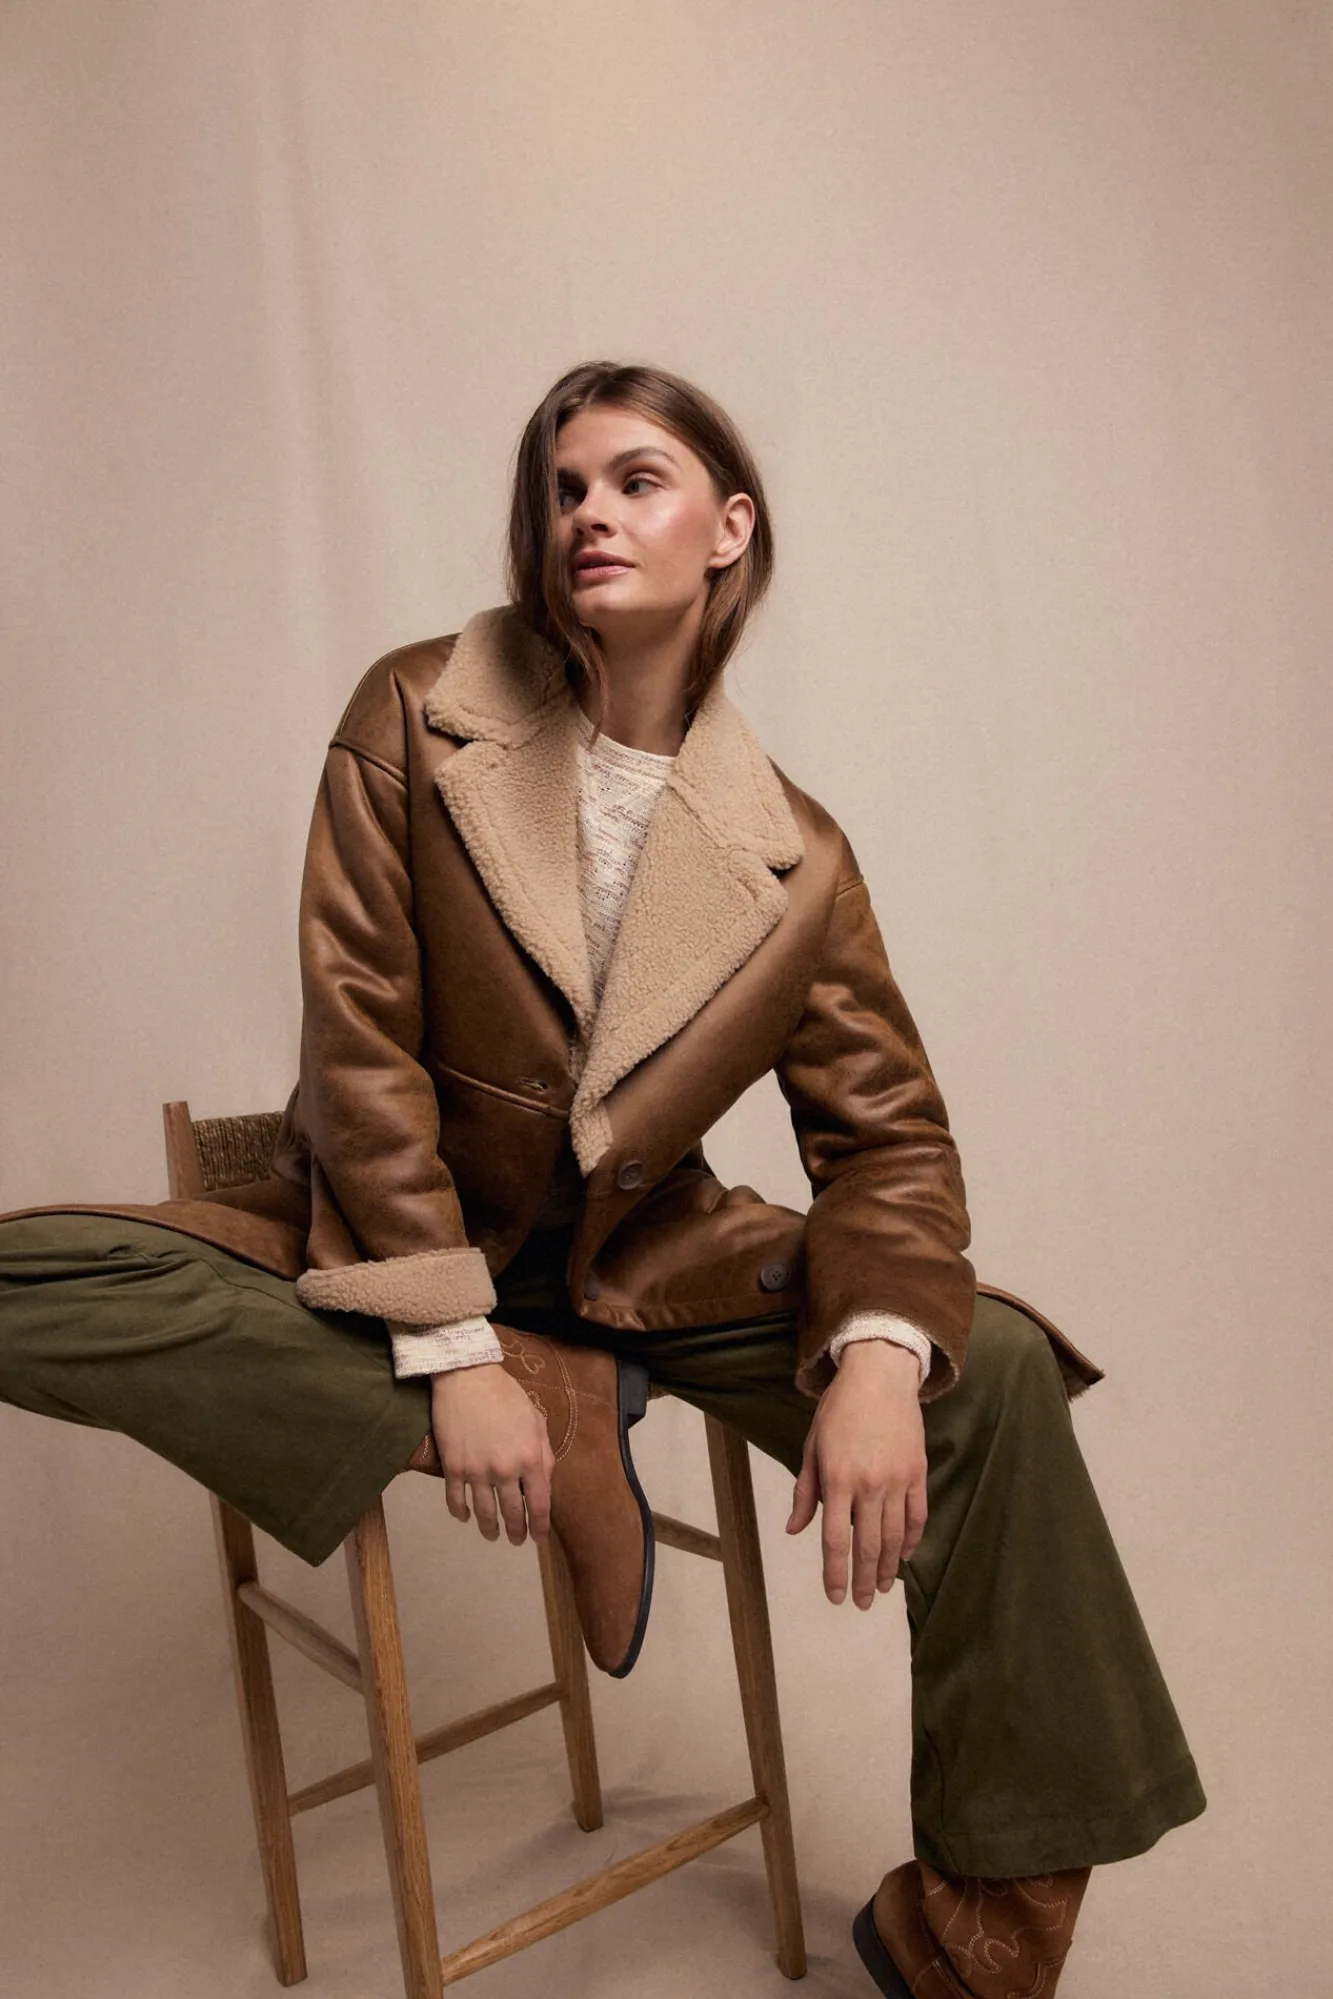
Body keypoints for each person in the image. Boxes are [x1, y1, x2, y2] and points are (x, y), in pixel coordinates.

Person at [0, 360, 1204, 1996]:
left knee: (984, 1363)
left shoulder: (800, 857)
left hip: (639, 1265)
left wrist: (874, 1353)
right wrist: (450, 1346)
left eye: (636, 480)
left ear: (729, 528)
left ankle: (984, 1921)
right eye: (564, 487)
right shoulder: (413, 712)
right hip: (388, 1238)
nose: (588, 513)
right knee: (39, 1279)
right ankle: (521, 1379)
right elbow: (359, 1048)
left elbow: (890, 1141)